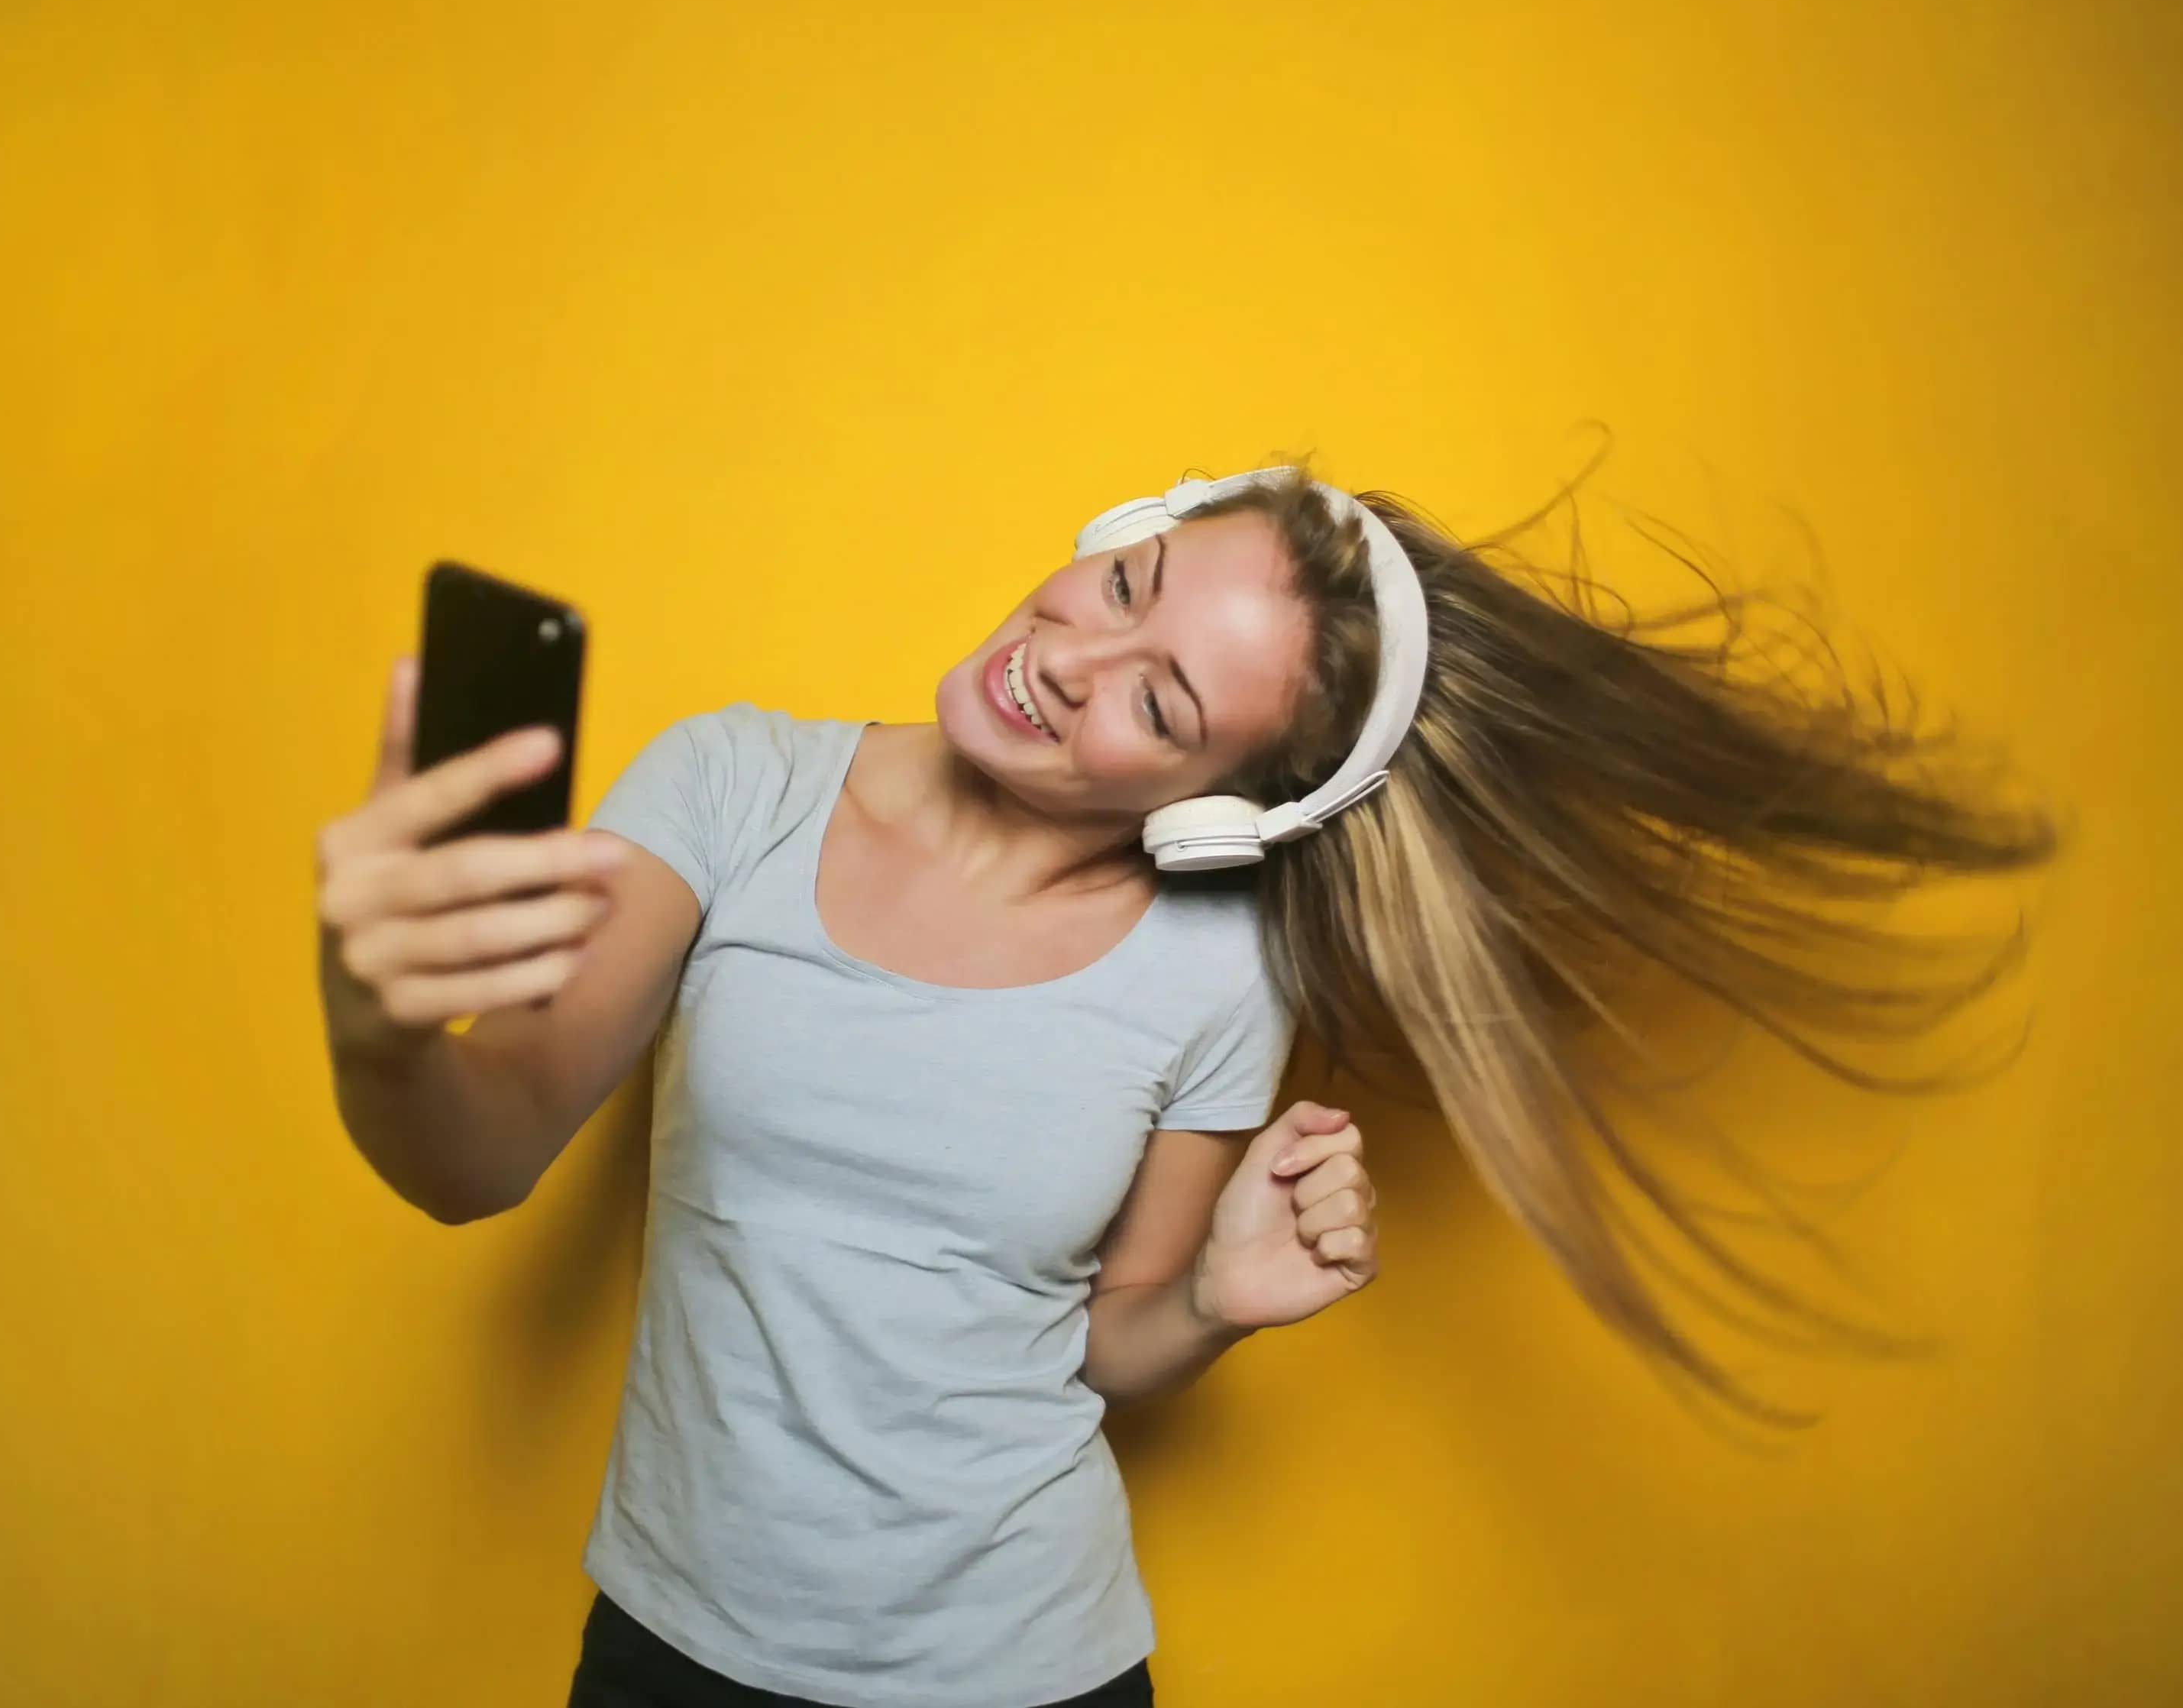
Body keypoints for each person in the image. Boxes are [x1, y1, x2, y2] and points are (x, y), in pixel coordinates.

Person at [315, 464, 2053, 1707]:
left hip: (1028, 1673)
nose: (1071, 656)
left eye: (1159, 702)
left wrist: (1212, 1303)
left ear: (1219, 809)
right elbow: (478, 1161)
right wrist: (381, 1019)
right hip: (673, 1655)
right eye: (1131, 584)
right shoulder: (730, 783)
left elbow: (1100, 1338)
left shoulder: (1220, 966)